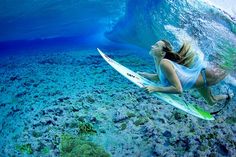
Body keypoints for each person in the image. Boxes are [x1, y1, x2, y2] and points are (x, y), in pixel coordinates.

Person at [138, 40, 234, 105]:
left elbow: (178, 89)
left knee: (232, 63)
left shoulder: (164, 63)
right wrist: (145, 75)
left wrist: (155, 88)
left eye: (156, 46)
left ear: (162, 53)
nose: (152, 46)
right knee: (211, 102)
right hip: (201, 78)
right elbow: (161, 77)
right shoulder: (161, 64)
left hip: (209, 75)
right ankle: (228, 96)